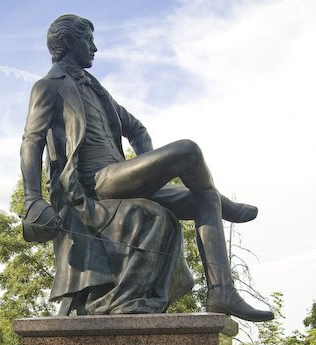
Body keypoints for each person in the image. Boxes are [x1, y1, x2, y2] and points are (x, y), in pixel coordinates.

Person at [20, 14, 273, 322]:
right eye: (88, 39)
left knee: (208, 200)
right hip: (96, 182)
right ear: (69, 42)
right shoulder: (48, 87)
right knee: (187, 150)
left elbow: (137, 129)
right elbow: (31, 141)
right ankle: (219, 201)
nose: (95, 48)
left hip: (120, 176)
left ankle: (222, 292)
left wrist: (146, 172)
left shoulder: (98, 91)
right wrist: (32, 198)